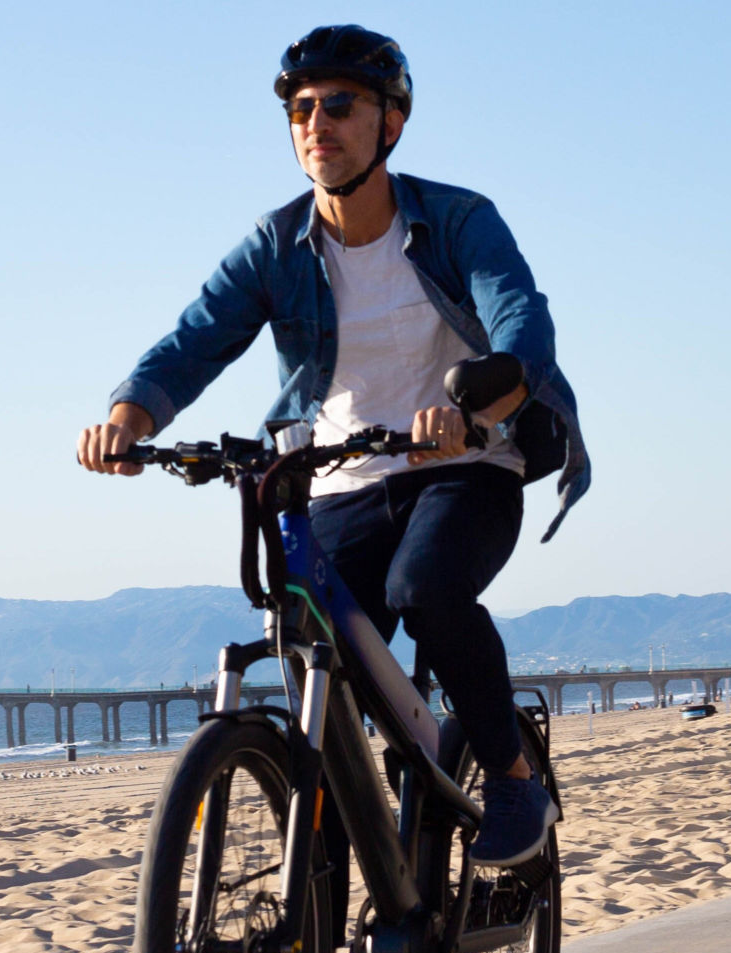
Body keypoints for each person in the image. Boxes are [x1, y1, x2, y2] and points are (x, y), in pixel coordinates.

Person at [78, 25, 588, 870]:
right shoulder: (275, 245)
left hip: (463, 467)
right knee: (316, 671)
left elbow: (521, 322)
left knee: (424, 587)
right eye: (301, 109)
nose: (318, 123)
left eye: (341, 105)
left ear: (391, 122)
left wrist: (477, 405)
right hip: (339, 479)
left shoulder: (459, 219)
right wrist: (131, 418)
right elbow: (196, 338)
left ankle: (510, 773)